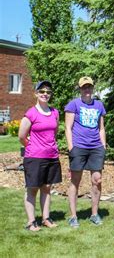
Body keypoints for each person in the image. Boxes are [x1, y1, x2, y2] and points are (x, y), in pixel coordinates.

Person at [18, 81, 61, 231]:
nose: (45, 94)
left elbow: (54, 133)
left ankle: (45, 218)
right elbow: (22, 136)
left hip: (52, 156)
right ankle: (31, 222)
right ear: (36, 93)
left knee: (47, 188)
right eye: (42, 91)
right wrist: (33, 147)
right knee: (32, 189)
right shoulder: (31, 113)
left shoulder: (55, 112)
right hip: (34, 157)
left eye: (48, 92)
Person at [65, 77, 107, 228]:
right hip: (79, 147)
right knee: (75, 180)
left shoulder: (99, 105)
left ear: (93, 88)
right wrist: (71, 148)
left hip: (96, 147)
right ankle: (73, 216)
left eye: (89, 87)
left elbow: (101, 128)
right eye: (84, 87)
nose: (87, 90)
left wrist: (103, 146)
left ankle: (94, 214)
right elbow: (68, 128)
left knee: (97, 180)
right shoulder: (73, 104)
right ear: (80, 89)